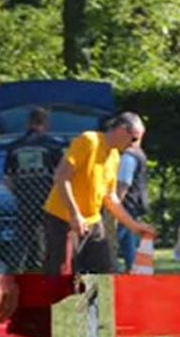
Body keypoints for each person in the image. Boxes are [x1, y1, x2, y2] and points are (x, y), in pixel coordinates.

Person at [41, 112, 156, 274]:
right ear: (122, 130)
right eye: (134, 139)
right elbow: (61, 177)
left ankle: (100, 299)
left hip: (93, 221)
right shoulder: (89, 141)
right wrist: (75, 215)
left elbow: (111, 198)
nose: (134, 146)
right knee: (61, 271)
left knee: (106, 269)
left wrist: (134, 226)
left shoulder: (115, 156)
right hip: (62, 219)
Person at [3, 107, 64, 271]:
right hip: (47, 197)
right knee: (51, 235)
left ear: (28, 123)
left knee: (22, 237)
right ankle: (50, 268)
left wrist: (18, 193)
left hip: (25, 198)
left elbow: (7, 178)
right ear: (45, 123)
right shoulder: (52, 145)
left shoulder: (15, 147)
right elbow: (61, 174)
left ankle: (16, 268)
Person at [116, 136, 150, 272]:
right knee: (130, 248)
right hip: (134, 206)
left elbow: (124, 183)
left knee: (108, 244)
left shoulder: (128, 157)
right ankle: (137, 276)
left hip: (125, 206)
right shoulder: (138, 154)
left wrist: (115, 205)